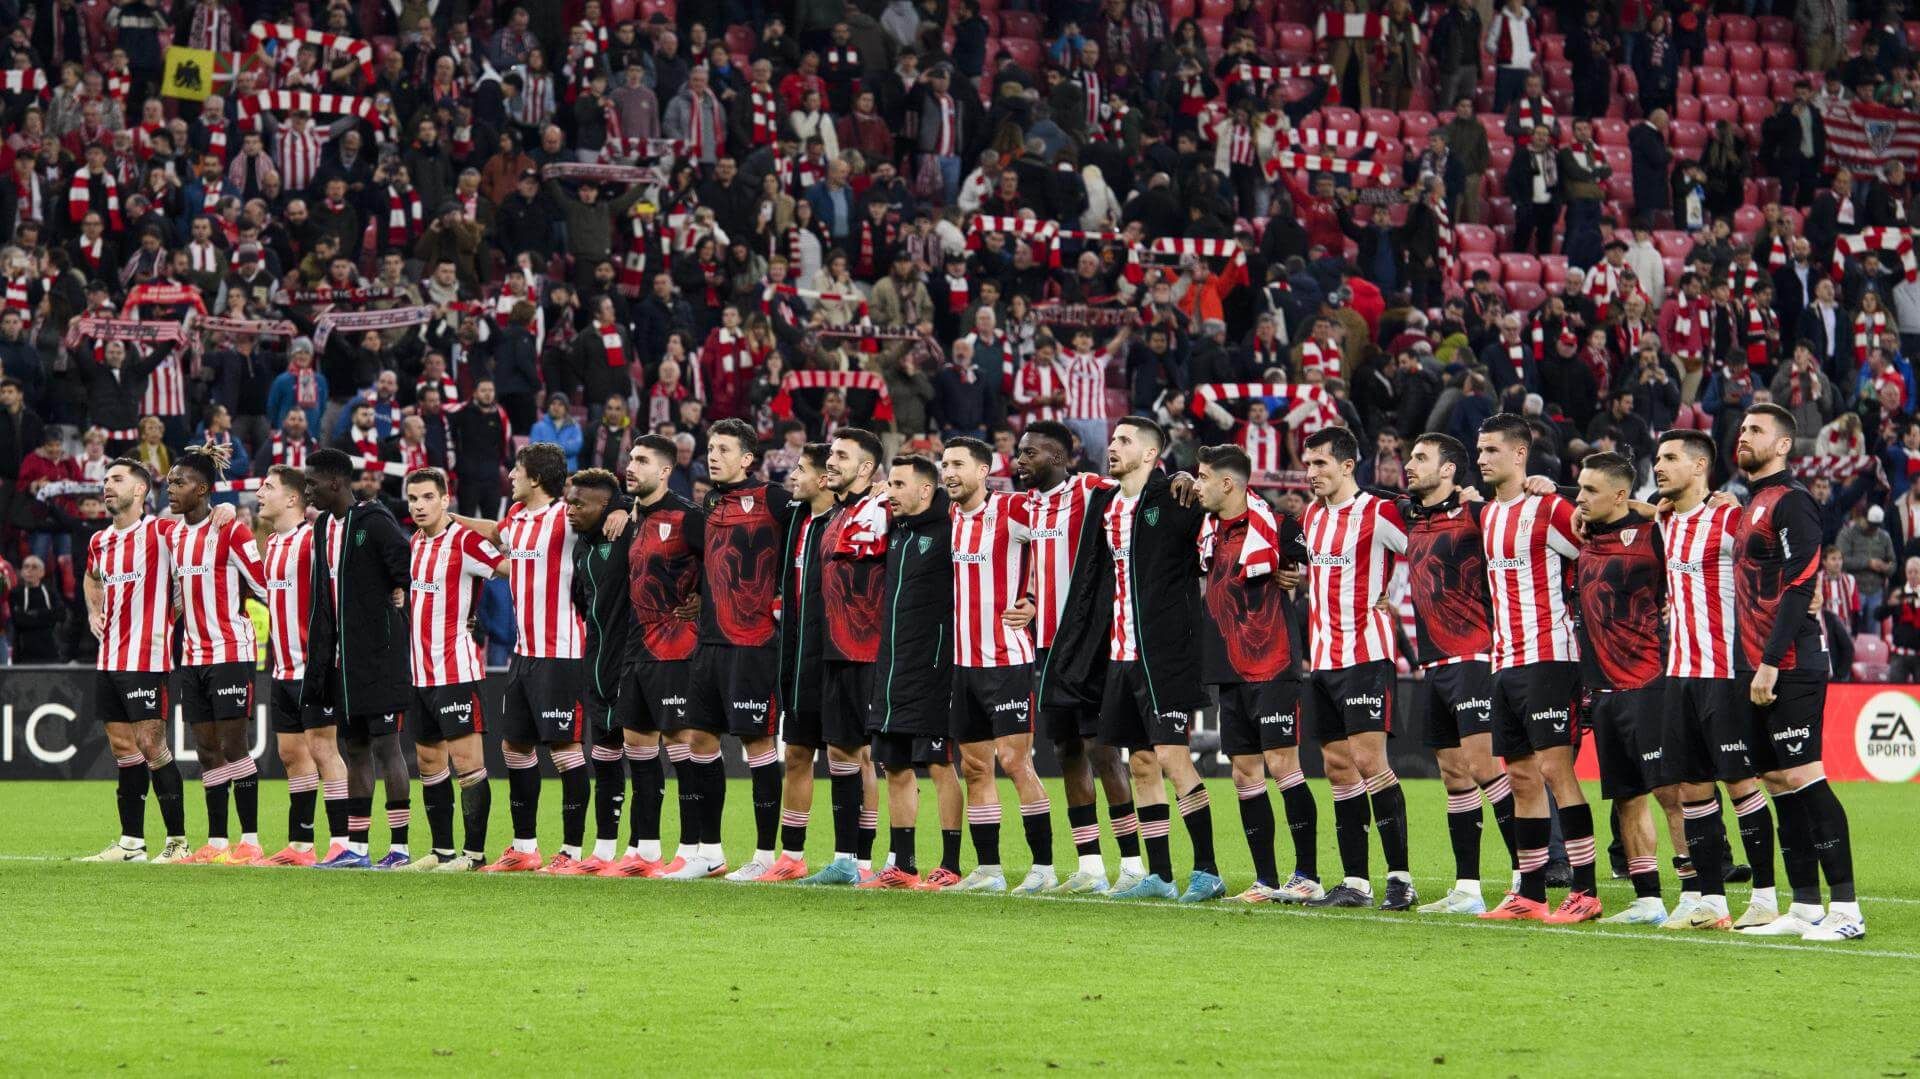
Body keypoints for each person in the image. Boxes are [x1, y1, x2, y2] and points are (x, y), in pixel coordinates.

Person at [1731, 405, 1864, 941]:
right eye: (1741, 429)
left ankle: (1848, 910)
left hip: (1790, 664)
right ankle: (1806, 904)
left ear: (1783, 445)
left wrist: (1767, 663)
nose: (1743, 436)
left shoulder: (1793, 502)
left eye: (1756, 430)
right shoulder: (1750, 505)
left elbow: (1799, 586)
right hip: (1757, 665)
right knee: (1777, 782)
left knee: (1805, 776)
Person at [1073, 417, 1215, 901]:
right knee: (1141, 766)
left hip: (1166, 656)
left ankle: (1208, 870)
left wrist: (1195, 481)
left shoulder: (1177, 499)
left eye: (1124, 441)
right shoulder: (1106, 505)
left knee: (1175, 760)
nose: (1112, 447)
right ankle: (1159, 875)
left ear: (1153, 454)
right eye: (1112, 439)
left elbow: (1224, 517)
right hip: (1121, 654)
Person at [1651, 430, 1779, 931]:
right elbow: (1627, 509)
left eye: (1670, 458)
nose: (1659, 466)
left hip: (1725, 673)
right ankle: (1711, 900)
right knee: (1691, 788)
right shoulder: (1664, 519)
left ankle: (1765, 897)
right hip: (1679, 674)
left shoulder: (1729, 518)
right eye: (1658, 458)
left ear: (1700, 465)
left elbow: (1778, 558)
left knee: (1741, 781)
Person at [1473, 414, 1594, 922]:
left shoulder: (1548, 509)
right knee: (1521, 777)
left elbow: (1597, 543)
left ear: (1520, 455)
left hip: (1551, 657)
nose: (1481, 459)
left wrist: (1560, 488)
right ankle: (1530, 891)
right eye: (1479, 451)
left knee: (1555, 771)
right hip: (1505, 662)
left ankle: (1585, 891)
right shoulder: (1484, 515)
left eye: (1491, 451)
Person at [669, 417, 801, 880]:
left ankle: (767, 856)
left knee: (758, 744)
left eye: (724, 449)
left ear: (747, 458)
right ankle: (709, 852)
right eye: (711, 447)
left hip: (755, 643)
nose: (714, 455)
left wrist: (786, 599)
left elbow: (803, 542)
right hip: (709, 644)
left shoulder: (775, 499)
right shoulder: (710, 502)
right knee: (699, 740)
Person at [454, 444, 594, 873]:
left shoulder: (567, 517)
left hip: (562, 652)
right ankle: (524, 847)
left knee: (565, 749)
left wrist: (620, 510)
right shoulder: (517, 518)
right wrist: (451, 521)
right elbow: (495, 533)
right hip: (523, 652)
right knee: (514, 747)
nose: (510, 475)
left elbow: (605, 506)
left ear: (535, 479)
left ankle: (572, 852)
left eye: (516, 469)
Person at [1019, 420, 1144, 896]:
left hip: (1092, 646)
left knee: (1104, 751)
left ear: (1057, 457)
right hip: (1047, 647)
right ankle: (1090, 867)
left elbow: (1138, 487)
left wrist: (1182, 479)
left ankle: (1132, 865)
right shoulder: (1025, 506)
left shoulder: (1091, 490)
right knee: (1065, 750)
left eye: (1030, 454)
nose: (1020, 461)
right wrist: (1029, 599)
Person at [1193, 445, 1321, 903]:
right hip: (1227, 667)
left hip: (1273, 664)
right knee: (1245, 773)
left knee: (1284, 766)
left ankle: (1307, 875)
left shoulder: (1281, 527)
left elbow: (1322, 563)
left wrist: (1299, 578)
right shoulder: (1205, 529)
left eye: (1203, 477)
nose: (1197, 485)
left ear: (1227, 483)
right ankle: (1266, 880)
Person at [1399, 434, 1519, 915]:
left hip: (1474, 657)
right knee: (1453, 775)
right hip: (1435, 664)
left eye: (1420, 458)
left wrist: (1540, 483)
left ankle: (1524, 877)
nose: (1409, 464)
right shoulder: (1412, 516)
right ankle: (1468, 888)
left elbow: (1527, 510)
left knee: (1485, 767)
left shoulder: (1477, 514)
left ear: (1449, 471)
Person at [1298, 427, 1414, 911]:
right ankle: (1355, 882)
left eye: (1321, 463)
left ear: (1348, 466)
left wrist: (1400, 597)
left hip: (1367, 656)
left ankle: (1401, 878)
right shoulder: (1310, 517)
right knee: (1338, 767)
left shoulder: (1379, 511)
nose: (1311, 473)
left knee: (1370, 763)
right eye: (1308, 464)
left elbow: (1423, 552)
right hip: (1323, 660)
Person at [938, 436, 1057, 894]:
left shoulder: (1014, 510)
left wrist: (1035, 601)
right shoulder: (946, 517)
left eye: (958, 465)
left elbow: (1059, 549)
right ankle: (988, 870)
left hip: (1007, 660)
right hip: (962, 662)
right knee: (974, 767)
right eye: (945, 464)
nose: (949, 473)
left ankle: (1043, 868)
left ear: (984, 470)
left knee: (1014, 761)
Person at [1570, 452, 1671, 926]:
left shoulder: (1653, 534)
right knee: (1628, 796)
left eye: (1591, 490)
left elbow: (1677, 516)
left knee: (1675, 792)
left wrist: (1653, 510)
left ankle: (1698, 893)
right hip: (1604, 689)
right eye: (1579, 488)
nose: (1581, 497)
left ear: (1620, 495)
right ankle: (1648, 899)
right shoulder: (1584, 535)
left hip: (1651, 681)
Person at [303, 448, 414, 870]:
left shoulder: (375, 520)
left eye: (312, 482)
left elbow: (407, 569)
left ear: (335, 483)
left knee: (388, 747)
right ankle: (358, 847)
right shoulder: (321, 529)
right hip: (341, 662)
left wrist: (397, 604)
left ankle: (400, 849)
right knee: (355, 748)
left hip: (380, 657)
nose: (307, 489)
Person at [76, 459, 190, 864]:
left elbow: (201, 531)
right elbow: (91, 577)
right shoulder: (99, 541)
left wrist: (224, 510)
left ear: (140, 491)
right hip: (109, 658)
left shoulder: (161, 531)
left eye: (117, 479)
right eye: (105, 479)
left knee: (150, 743)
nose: (107, 485)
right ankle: (131, 844)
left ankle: (177, 842)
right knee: (123, 746)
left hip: (149, 657)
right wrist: (94, 611)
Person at [603, 435, 705, 878]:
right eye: (631, 458)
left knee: (682, 748)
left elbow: (722, 564)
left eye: (642, 461)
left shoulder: (687, 517)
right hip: (635, 648)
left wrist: (705, 597)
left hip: (677, 649)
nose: (631, 466)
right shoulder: (629, 518)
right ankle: (645, 849)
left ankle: (695, 847)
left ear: (665, 471)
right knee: (638, 748)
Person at [793, 430, 892, 885]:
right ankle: (845, 858)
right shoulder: (836, 514)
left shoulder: (884, 509)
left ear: (867, 467)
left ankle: (869, 862)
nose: (829, 462)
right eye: (830, 455)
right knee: (841, 752)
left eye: (840, 456)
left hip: (868, 651)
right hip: (833, 650)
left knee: (867, 755)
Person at [394, 468, 503, 872]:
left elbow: (512, 566)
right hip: (419, 673)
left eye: (426, 497)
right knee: (428, 762)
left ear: (445, 500)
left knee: (467, 763)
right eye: (412, 499)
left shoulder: (466, 541)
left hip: (456, 669)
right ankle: (441, 851)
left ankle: (473, 855)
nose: (419, 506)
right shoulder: (415, 544)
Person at [163, 450, 268, 866]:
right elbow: (174, 592)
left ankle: (252, 840)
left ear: (202, 489)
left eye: (179, 482)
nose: (170, 489)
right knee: (206, 750)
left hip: (231, 652)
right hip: (192, 655)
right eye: (169, 481)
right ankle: (218, 842)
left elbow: (263, 585)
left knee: (234, 745)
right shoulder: (172, 534)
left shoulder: (231, 531)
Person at [864, 454, 962, 889]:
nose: (890, 492)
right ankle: (903, 864)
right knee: (894, 766)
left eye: (898, 485)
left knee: (939, 765)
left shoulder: (952, 527)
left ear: (925, 490)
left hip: (934, 670)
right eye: (889, 484)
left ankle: (951, 863)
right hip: (892, 670)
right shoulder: (896, 530)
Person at [252, 464, 350, 867]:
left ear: (293, 498)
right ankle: (301, 844)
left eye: (268, 487)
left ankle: (344, 842)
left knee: (325, 750)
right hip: (283, 667)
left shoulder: (314, 541)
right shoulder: (274, 544)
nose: (259, 493)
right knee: (292, 754)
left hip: (316, 667)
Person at [562, 467, 641, 875]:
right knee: (605, 755)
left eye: (580, 504)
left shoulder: (628, 531)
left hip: (634, 660)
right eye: (569, 501)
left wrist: (628, 506)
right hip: (596, 662)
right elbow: (582, 602)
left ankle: (645, 849)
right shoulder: (583, 547)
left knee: (644, 754)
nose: (571, 510)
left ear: (606, 506)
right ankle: (606, 849)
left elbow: (666, 509)